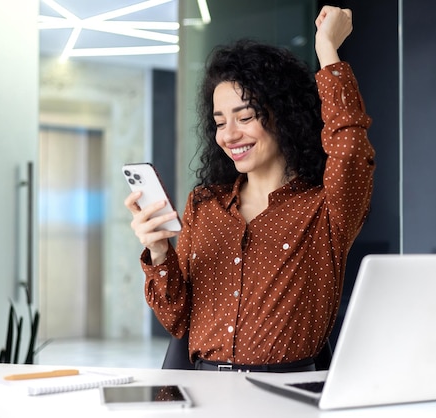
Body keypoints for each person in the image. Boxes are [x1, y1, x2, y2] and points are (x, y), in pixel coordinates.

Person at [124, 6, 375, 372]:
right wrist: (159, 252)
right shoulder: (204, 205)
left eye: (244, 117)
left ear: (284, 115)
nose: (228, 134)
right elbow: (177, 321)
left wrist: (326, 49)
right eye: (219, 121)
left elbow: (350, 146)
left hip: (284, 395)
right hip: (204, 391)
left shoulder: (326, 209)